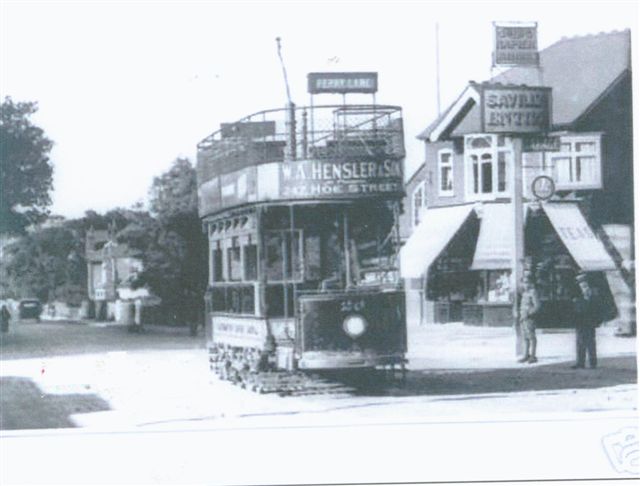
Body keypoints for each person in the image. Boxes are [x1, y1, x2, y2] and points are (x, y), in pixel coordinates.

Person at [571, 273, 602, 369]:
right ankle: (580, 362)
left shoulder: (594, 298)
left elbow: (597, 311)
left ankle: (593, 362)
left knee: (590, 343)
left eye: (585, 286)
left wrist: (597, 322)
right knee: (580, 343)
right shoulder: (578, 298)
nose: (584, 288)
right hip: (580, 323)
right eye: (582, 287)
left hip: (589, 323)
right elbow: (575, 311)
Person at [518, 273, 541, 364]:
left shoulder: (533, 292)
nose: (525, 284)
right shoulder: (524, 293)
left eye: (527, 282)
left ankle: (533, 355)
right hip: (523, 317)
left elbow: (537, 306)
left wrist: (528, 313)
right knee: (525, 337)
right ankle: (526, 354)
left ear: (531, 283)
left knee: (531, 337)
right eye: (524, 283)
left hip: (529, 318)